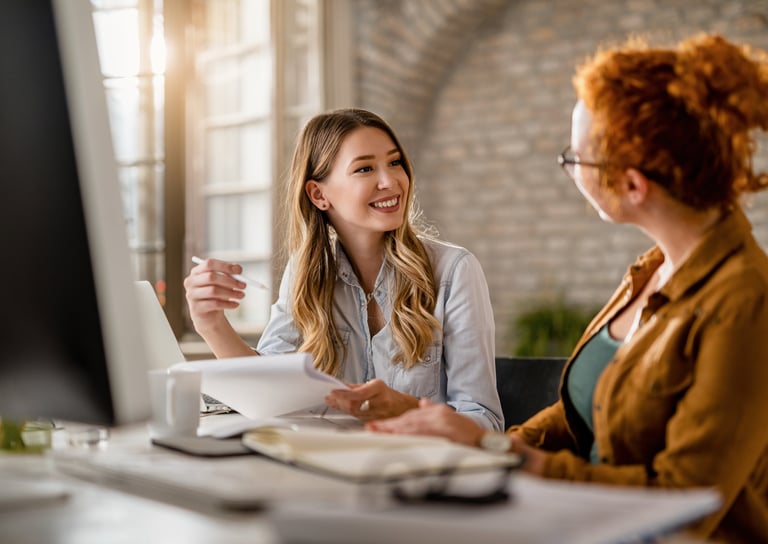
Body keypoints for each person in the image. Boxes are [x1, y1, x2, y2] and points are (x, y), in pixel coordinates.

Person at [367, 34, 768, 542]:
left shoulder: (745, 301)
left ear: (633, 185)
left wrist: (502, 454)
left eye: (575, 158)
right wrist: (470, 444)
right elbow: (583, 411)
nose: (569, 169)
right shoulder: (650, 271)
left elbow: (686, 500)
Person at [184, 108, 503, 431]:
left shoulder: (454, 271)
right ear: (319, 194)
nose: (390, 181)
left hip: (417, 472)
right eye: (365, 168)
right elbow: (266, 392)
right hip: (325, 468)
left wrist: (404, 409)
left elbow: (486, 423)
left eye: (395, 163)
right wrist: (211, 325)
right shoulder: (306, 273)